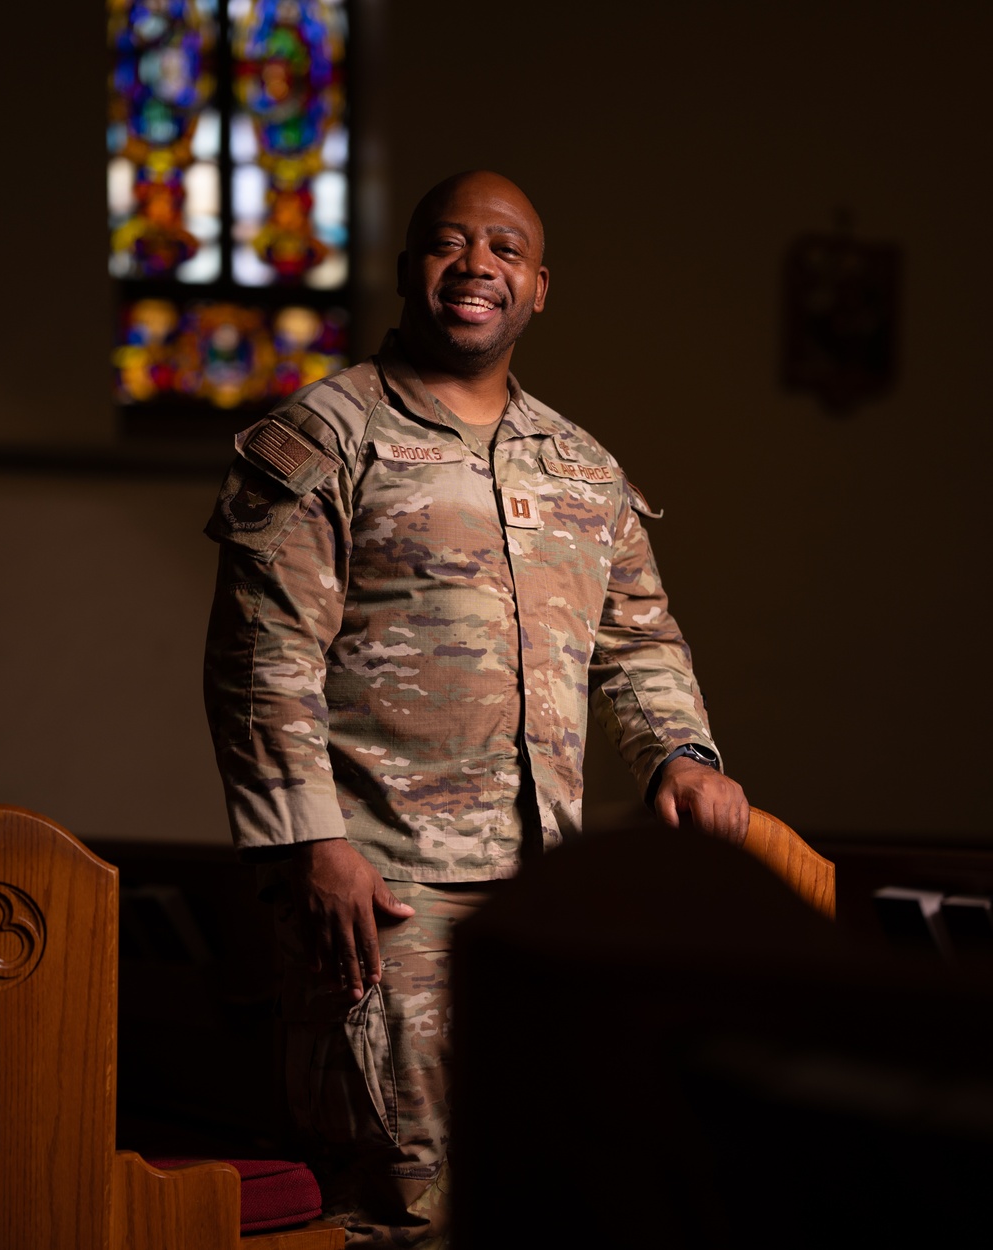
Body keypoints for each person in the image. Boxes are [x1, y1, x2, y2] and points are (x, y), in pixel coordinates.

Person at [203, 170, 748, 1246]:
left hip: (539, 901)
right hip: (380, 893)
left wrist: (679, 753)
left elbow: (639, 640)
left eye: (504, 249)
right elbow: (263, 657)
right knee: (400, 1210)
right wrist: (311, 840)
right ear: (410, 269)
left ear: (539, 287)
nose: (476, 265)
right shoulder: (327, 437)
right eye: (449, 242)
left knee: (538, 1191)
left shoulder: (582, 467)